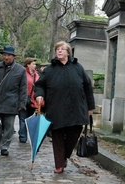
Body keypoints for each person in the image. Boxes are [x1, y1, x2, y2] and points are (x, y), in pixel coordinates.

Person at [34, 41, 95, 173]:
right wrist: (39, 95)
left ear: (68, 52)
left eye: (62, 49)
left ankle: (65, 156)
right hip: (56, 108)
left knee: (74, 133)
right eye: (57, 49)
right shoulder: (49, 70)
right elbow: (39, 85)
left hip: (77, 108)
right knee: (57, 136)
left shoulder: (78, 67)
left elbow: (87, 86)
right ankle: (59, 164)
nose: (59, 51)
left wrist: (90, 107)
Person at [0, 45, 27, 156]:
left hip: (11, 102)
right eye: (4, 55)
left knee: (9, 126)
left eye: (8, 55)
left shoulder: (20, 70)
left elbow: (23, 88)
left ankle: (4, 147)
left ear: (13, 56)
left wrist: (22, 104)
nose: (6, 57)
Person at [18, 57, 43, 143]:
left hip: (32, 101)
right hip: (24, 99)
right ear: (28, 65)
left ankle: (22, 132)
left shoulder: (36, 74)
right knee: (22, 118)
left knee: (28, 118)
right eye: (33, 64)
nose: (35, 65)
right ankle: (23, 137)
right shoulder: (23, 73)